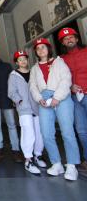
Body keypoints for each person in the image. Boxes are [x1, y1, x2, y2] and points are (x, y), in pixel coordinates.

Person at [29, 38, 80, 181]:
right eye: (38, 49)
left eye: (43, 47)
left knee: (67, 132)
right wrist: (39, 99)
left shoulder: (59, 62)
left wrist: (57, 97)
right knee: (46, 133)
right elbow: (32, 86)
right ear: (36, 52)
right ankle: (56, 163)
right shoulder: (34, 68)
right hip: (44, 100)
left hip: (61, 98)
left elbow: (66, 79)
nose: (41, 50)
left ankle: (71, 165)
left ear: (49, 49)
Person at [8, 50, 46, 174]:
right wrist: (19, 101)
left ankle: (38, 155)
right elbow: (11, 92)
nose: (23, 61)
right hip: (24, 109)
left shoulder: (34, 72)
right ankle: (28, 160)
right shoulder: (13, 75)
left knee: (39, 132)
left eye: (24, 58)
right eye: (20, 59)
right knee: (28, 132)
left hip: (37, 106)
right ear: (16, 62)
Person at [0, 43, 22, 163]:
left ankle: (16, 150)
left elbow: (13, 83)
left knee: (11, 125)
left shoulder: (7, 66)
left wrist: (14, 98)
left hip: (7, 100)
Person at [59, 27, 87, 171]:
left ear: (76, 39)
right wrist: (70, 88)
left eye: (71, 37)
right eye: (65, 38)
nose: (69, 39)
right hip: (74, 98)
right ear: (63, 43)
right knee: (81, 130)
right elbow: (60, 79)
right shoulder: (61, 60)